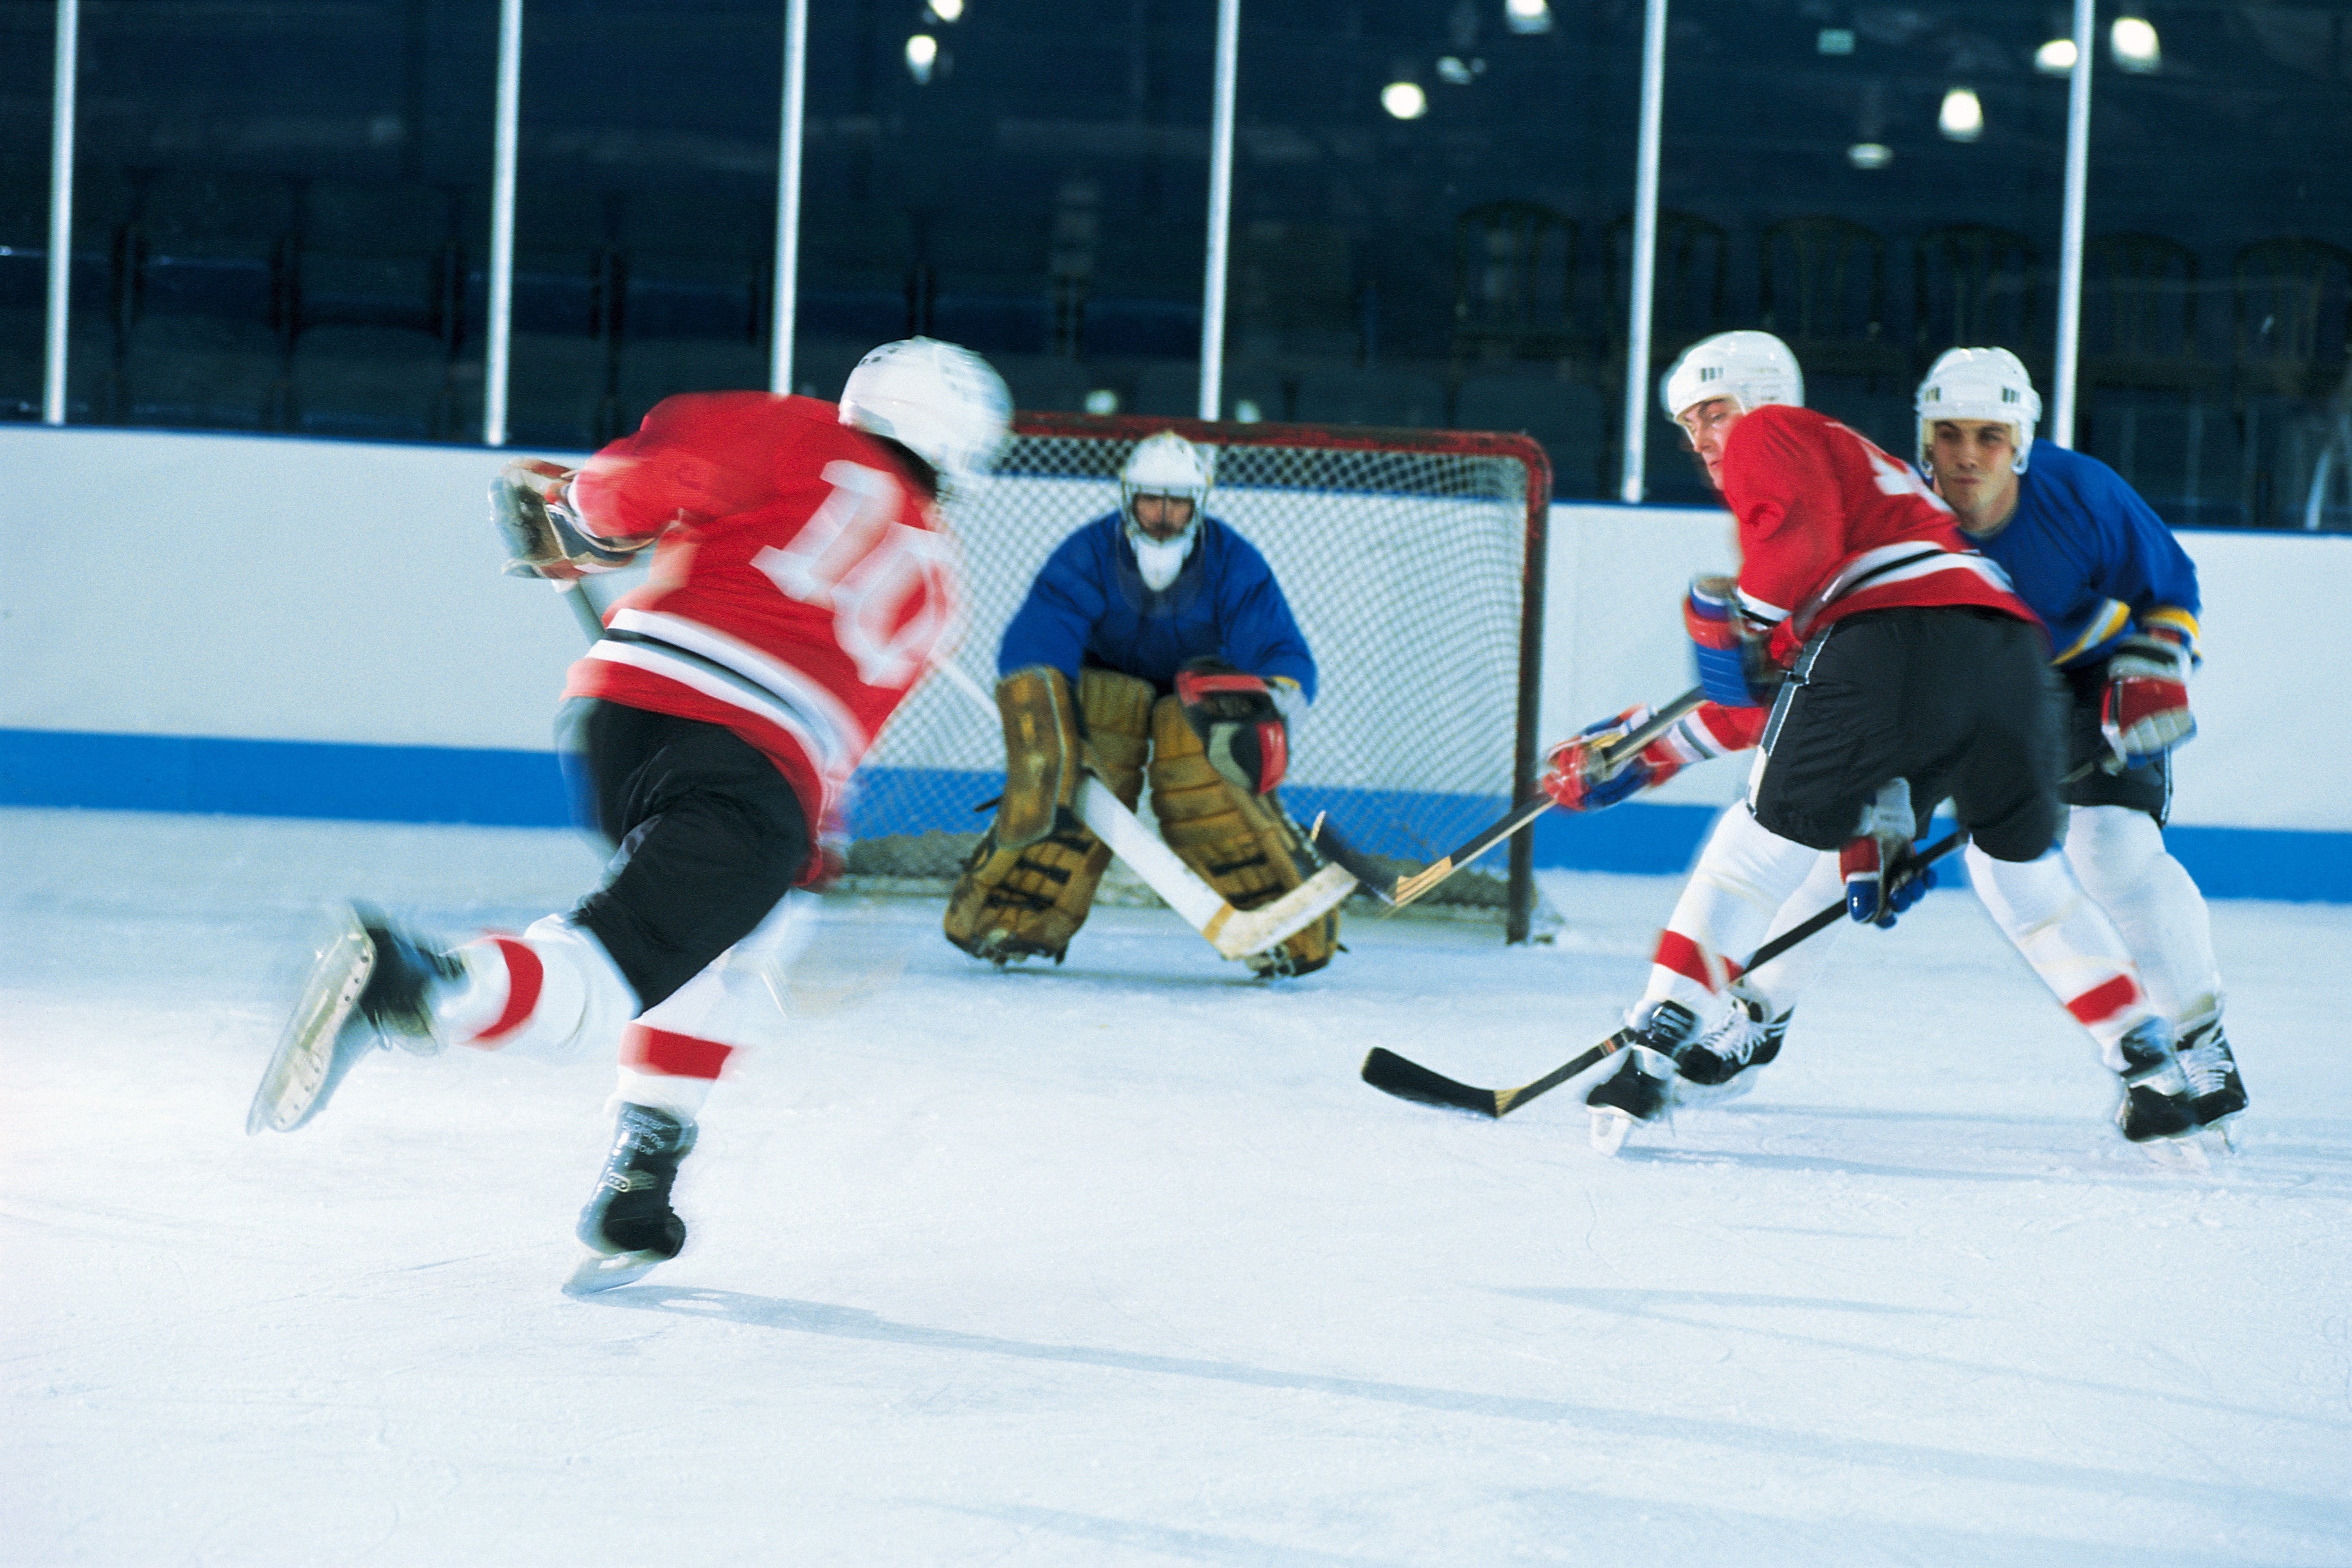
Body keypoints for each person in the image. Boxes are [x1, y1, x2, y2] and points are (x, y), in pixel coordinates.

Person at [249, 338, 1013, 1290]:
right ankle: (421, 983)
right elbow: (832, 738)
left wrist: (576, 514)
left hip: (626, 718)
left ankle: (640, 1183)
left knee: (731, 952)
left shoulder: (799, 432)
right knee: (605, 975)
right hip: (758, 766)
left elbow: (656, 472)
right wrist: (806, 861)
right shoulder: (941, 585)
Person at [1541, 330, 2191, 1154]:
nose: (1704, 438)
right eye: (1689, 424)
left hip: (1887, 646)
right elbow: (1775, 697)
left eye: (1711, 411)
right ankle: (2150, 1067)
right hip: (2007, 659)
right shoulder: (1864, 479)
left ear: (1757, 395)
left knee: (1751, 856)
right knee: (2027, 887)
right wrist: (1654, 751)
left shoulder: (1772, 434)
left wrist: (1738, 623)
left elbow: (1804, 588)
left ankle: (1654, 1042)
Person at [941, 430, 1335, 977]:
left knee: (1212, 798)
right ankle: (1014, 920)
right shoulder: (1088, 552)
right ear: (1129, 497)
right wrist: (1044, 712)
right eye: (1152, 498)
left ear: (1198, 504)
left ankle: (1286, 935)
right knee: (1069, 790)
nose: (1164, 514)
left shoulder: (1233, 560)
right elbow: (1039, 639)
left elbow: (1279, 650)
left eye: (1178, 501)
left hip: (1196, 701)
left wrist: (1275, 699)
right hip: (1105, 694)